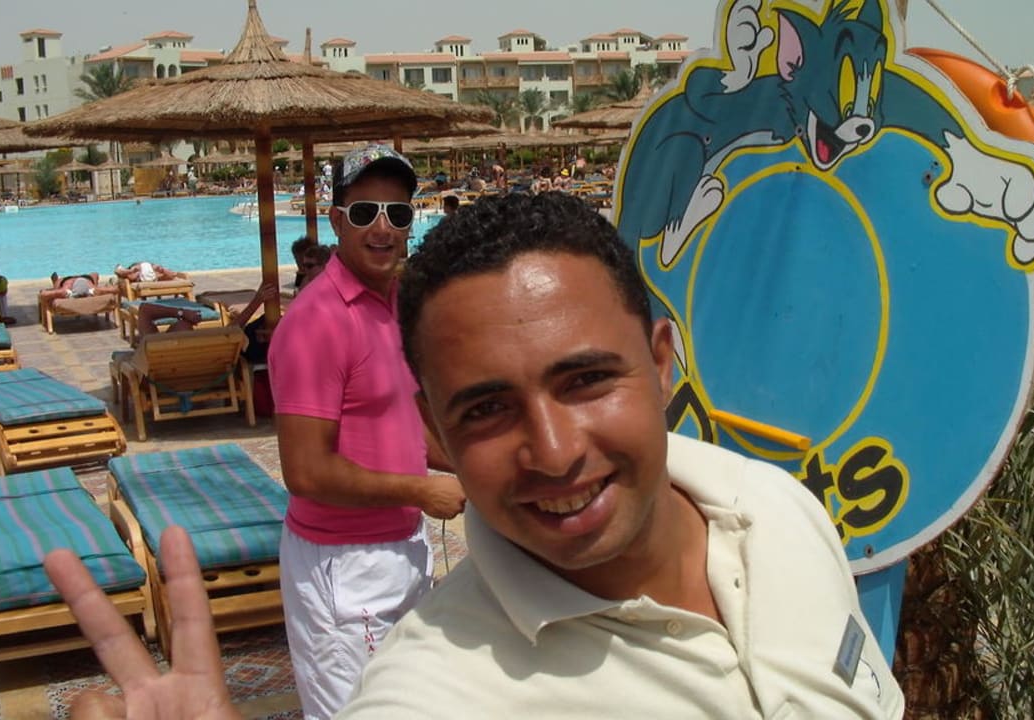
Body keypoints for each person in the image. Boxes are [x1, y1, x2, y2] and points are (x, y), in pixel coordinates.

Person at [44, 193, 904, 719]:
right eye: (487, 409)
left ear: (662, 364)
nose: (555, 452)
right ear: (439, 430)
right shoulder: (436, 691)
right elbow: (306, 469)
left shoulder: (778, 509)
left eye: (586, 380)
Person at [267, 143, 463, 719]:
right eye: (364, 213)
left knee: (406, 704)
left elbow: (404, 421)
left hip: (400, 548)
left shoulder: (395, 304)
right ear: (336, 221)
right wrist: (422, 490)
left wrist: (476, 467)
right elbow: (306, 472)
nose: (382, 228)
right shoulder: (316, 322)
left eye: (397, 213)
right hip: (343, 564)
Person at [40, 272, 120, 302]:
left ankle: (60, 286)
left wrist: (45, 292)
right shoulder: (90, 283)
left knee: (58, 283)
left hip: (69, 282)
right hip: (86, 281)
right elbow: (117, 289)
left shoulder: (64, 282)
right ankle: (92, 290)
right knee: (95, 274)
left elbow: (43, 294)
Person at [115, 262, 187, 283]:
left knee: (169, 275)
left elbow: (172, 275)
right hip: (146, 271)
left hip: (150, 271)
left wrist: (161, 270)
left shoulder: (157, 274)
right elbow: (117, 271)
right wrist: (131, 271)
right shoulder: (133, 274)